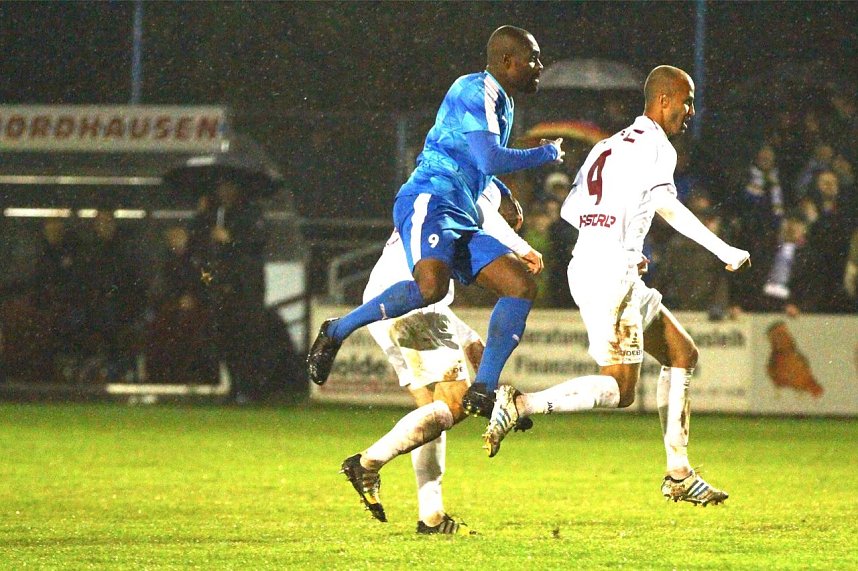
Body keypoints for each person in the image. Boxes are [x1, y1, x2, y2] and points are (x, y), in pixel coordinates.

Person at [482, 65, 750, 507]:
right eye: (686, 100)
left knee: (683, 355)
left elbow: (574, 211)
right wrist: (722, 249)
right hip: (611, 272)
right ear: (663, 100)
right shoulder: (658, 147)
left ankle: (679, 473)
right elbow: (666, 205)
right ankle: (521, 404)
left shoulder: (610, 143)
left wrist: (623, 242)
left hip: (599, 262)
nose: (691, 111)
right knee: (621, 391)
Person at [307, 25, 564, 417]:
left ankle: (483, 389)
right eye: (533, 59)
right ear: (507, 61)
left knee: (519, 285)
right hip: (431, 199)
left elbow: (474, 161)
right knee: (430, 288)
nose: (539, 67)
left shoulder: (504, 102)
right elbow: (490, 158)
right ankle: (337, 329)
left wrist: (502, 193)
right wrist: (543, 153)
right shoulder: (475, 90)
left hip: (459, 211)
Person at [340, 180, 538, 534]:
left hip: (397, 301)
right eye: (515, 220)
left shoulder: (443, 189)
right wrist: (518, 246)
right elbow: (489, 212)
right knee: (455, 403)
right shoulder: (482, 186)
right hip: (411, 302)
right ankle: (367, 462)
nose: (514, 225)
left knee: (454, 382)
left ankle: (431, 516)